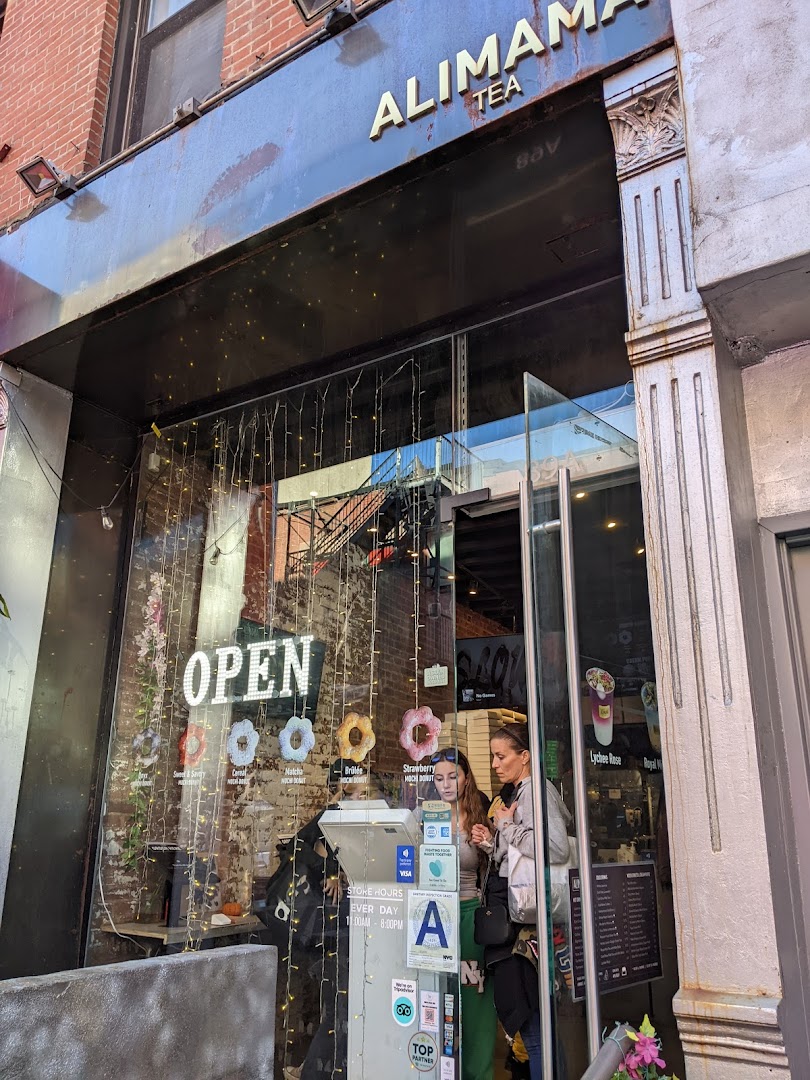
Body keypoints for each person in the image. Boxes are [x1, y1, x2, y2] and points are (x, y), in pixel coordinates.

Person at [470, 724, 571, 1080]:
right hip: (520, 922)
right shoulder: (521, 793)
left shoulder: (535, 791)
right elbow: (519, 857)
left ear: (524, 756)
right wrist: (491, 843)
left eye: (501, 756)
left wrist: (505, 827)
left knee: (533, 1029)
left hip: (524, 930)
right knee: (536, 1028)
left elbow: (555, 848)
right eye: (493, 756)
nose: (495, 764)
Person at [430, 748, 497, 1080]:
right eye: (439, 778)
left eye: (452, 776)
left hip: (470, 915)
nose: (446, 784)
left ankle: (478, 1073)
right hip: (433, 917)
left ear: (466, 778)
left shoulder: (478, 816)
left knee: (474, 1003)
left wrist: (490, 845)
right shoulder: (424, 817)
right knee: (435, 1002)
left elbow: (499, 867)